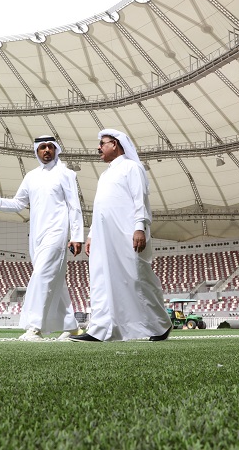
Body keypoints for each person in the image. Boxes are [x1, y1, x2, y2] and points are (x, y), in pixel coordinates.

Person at [0, 134, 84, 341]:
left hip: (57, 233)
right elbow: (18, 204)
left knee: (42, 276)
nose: (47, 150)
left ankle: (35, 327)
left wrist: (77, 236)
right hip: (36, 237)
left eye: (50, 146)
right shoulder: (31, 177)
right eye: (42, 147)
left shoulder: (66, 174)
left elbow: (74, 206)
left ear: (56, 149)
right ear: (37, 151)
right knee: (53, 280)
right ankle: (73, 328)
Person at [70, 129, 172, 342]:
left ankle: (161, 324)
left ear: (114, 144)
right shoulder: (106, 174)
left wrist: (139, 227)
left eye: (102, 144)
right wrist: (92, 235)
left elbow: (140, 199)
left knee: (137, 278)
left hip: (126, 233)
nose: (99, 148)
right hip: (104, 237)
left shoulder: (131, 167)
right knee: (101, 280)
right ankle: (100, 329)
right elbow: (101, 208)